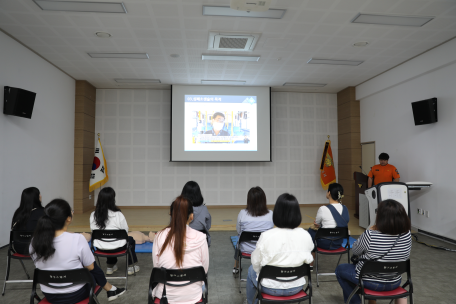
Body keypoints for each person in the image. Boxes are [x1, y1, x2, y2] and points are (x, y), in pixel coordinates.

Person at [30, 199, 125, 303]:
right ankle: (110, 289)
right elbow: (90, 267)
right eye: (72, 211)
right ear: (68, 219)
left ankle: (111, 289)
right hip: (76, 293)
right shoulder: (77, 239)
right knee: (91, 270)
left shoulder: (35, 241)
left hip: (50, 295)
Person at [335, 199, 412, 304]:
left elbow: (355, 251)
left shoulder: (370, 235)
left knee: (340, 270)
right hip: (394, 281)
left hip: (370, 282)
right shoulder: (407, 234)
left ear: (381, 217)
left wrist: (369, 230)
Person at [246, 193, 314, 304]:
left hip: (270, 288)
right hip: (296, 287)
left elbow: (256, 263)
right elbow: (309, 259)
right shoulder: (305, 235)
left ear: (276, 213)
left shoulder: (267, 236)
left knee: (250, 270)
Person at [152, 196, 209, 304]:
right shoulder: (201, 238)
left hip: (165, 297)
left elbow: (157, 268)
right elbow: (204, 270)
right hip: (193, 297)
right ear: (191, 216)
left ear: (171, 214)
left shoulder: (159, 236)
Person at [90, 187, 139, 275]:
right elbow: (125, 232)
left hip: (100, 247)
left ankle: (110, 266)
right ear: (113, 199)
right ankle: (131, 267)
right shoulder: (118, 215)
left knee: (108, 240)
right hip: (118, 247)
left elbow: (93, 231)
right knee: (130, 240)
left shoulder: (93, 215)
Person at [233, 186, 274, 275]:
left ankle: (236, 267)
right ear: (264, 200)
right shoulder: (271, 214)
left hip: (245, 250)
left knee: (239, 240)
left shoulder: (242, 214)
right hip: (264, 250)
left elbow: (239, 231)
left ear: (249, 200)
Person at [308, 183, 349, 250]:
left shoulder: (323, 209)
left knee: (311, 230)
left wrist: (319, 225)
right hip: (338, 243)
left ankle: (312, 254)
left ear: (329, 193)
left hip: (324, 243)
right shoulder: (345, 208)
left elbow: (317, 223)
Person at [11, 187, 45, 254]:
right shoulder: (43, 212)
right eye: (39, 194)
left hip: (18, 248)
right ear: (36, 198)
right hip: (37, 249)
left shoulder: (18, 212)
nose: (40, 196)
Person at [181, 181, 212, 246]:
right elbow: (208, 226)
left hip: (182, 243)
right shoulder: (204, 209)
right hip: (201, 243)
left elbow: (172, 225)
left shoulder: (177, 209)